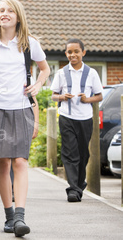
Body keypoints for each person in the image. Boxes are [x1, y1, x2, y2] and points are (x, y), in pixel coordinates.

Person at [0, 0, 49, 237]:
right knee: (3, 163)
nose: (4, 14)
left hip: (21, 108)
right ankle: (8, 215)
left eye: (9, 11)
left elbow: (45, 68)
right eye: (0, 11)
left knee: (20, 161)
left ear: (18, 16)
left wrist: (37, 84)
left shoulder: (30, 43)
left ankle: (20, 216)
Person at [50, 38, 103, 203]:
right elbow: (53, 95)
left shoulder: (92, 73)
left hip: (86, 119)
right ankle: (73, 189)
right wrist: (61, 97)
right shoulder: (61, 73)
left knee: (83, 154)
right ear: (66, 54)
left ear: (83, 53)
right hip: (66, 117)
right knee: (70, 153)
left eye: (76, 52)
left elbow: (99, 96)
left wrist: (87, 100)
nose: (73, 55)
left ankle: (79, 184)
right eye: (69, 52)